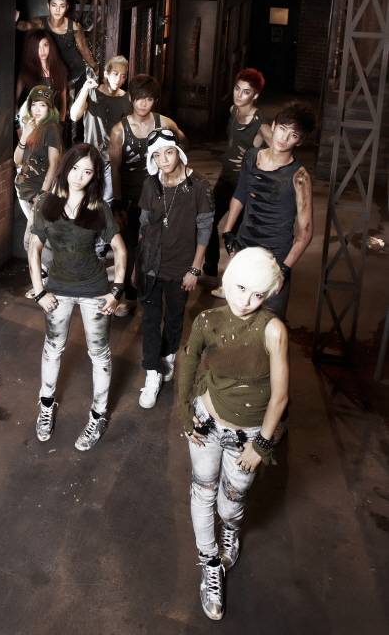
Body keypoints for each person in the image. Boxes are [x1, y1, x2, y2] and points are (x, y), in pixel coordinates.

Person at [178, 247, 288, 621]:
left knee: (231, 502)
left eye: (257, 294)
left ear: (269, 294)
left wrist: (262, 444)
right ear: (227, 280)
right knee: (202, 490)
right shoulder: (207, 319)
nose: (246, 301)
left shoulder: (273, 329)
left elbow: (280, 396)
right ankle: (209, 561)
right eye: (240, 288)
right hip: (207, 423)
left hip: (249, 436)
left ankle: (231, 529)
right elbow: (188, 360)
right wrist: (184, 414)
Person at [28, 143, 127, 450]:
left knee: (99, 355)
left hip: (94, 290)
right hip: (57, 289)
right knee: (52, 349)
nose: (79, 176)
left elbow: (120, 249)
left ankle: (98, 416)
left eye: (87, 172)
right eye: (75, 169)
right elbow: (34, 248)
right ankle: (46, 407)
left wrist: (116, 290)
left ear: (94, 176)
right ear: (65, 168)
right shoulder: (46, 203)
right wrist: (40, 291)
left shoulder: (99, 208)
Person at [135, 128, 214, 408]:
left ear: (178, 152)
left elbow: (205, 228)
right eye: (157, 155)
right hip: (151, 264)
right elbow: (143, 224)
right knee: (149, 319)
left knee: (174, 317)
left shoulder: (199, 185)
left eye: (168, 152)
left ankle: (168, 357)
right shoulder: (150, 184)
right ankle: (152, 373)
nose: (164, 160)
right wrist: (139, 263)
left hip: (181, 267)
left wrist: (195, 269)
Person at [222, 102, 315, 319]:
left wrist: (284, 269)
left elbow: (305, 232)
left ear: (299, 141)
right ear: (273, 126)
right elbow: (240, 194)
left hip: (275, 257)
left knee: (268, 321)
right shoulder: (252, 157)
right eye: (282, 129)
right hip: (244, 247)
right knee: (236, 315)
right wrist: (227, 231)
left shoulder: (300, 177)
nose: (284, 138)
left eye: (293, 135)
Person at [109, 74, 187, 316]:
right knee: (130, 248)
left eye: (149, 99)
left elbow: (183, 144)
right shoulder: (119, 130)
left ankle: (155, 291)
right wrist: (118, 203)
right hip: (131, 199)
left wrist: (176, 173)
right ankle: (129, 296)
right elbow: (115, 169)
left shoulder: (165, 123)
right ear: (131, 99)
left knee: (158, 245)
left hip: (160, 196)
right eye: (139, 98)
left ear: (155, 100)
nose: (144, 103)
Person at [204, 68, 267, 283]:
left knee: (235, 232)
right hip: (225, 178)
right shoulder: (233, 110)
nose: (239, 95)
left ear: (255, 95)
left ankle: (234, 281)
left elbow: (276, 146)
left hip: (243, 184)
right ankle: (210, 267)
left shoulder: (259, 122)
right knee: (207, 219)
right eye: (237, 89)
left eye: (246, 92)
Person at [17, 0, 98, 142]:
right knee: (57, 112)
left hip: (75, 74)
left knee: (75, 114)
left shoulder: (74, 27)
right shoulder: (41, 22)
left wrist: (95, 67)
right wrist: (14, 20)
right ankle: (58, 143)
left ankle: (77, 144)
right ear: (48, 5)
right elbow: (25, 26)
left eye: (61, 6)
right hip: (57, 74)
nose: (57, 10)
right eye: (54, 5)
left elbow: (84, 50)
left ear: (67, 7)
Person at [14, 85, 62, 294]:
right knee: (41, 237)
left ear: (50, 108)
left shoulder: (51, 129)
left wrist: (43, 195)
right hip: (24, 192)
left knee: (32, 240)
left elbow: (54, 164)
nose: (37, 109)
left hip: (39, 193)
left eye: (42, 105)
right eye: (34, 105)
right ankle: (47, 280)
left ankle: (52, 281)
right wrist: (25, 135)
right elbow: (17, 159)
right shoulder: (30, 126)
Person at [70, 55, 131, 203]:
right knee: (86, 199)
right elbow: (74, 116)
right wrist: (85, 89)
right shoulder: (92, 92)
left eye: (123, 76)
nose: (119, 79)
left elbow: (127, 130)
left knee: (107, 202)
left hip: (111, 160)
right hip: (90, 156)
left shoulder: (126, 98)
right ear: (106, 73)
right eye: (115, 74)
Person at [16, 29, 68, 122]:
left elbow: (63, 102)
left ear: (50, 46)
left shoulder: (60, 69)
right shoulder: (26, 72)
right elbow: (15, 100)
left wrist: (61, 123)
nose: (42, 50)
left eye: (45, 45)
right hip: (32, 123)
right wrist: (20, 123)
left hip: (53, 123)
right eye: (38, 47)